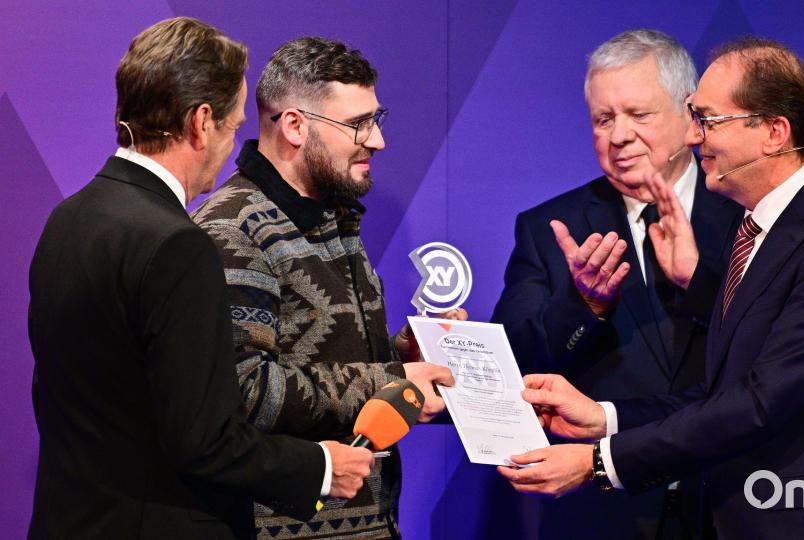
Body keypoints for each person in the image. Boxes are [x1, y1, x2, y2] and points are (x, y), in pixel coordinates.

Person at [499, 37, 804, 539]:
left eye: (708, 120)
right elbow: (719, 393)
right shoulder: (763, 229)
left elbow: (757, 404)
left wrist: (601, 462)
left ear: (774, 131)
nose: (693, 137)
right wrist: (604, 417)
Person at [28, 18, 379, 540]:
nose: (233, 146)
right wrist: (321, 468)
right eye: (235, 127)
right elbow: (205, 439)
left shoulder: (69, 217)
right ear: (200, 122)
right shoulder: (178, 244)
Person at [192, 37, 459, 539]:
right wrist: (391, 380)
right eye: (358, 124)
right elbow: (244, 391)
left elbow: (324, 355)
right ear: (295, 125)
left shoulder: (333, 217)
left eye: (376, 119)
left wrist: (401, 351)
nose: (377, 140)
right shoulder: (232, 230)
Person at [491, 29, 739, 538]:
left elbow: (769, 352)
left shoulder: (748, 214)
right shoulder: (551, 227)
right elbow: (511, 362)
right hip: (603, 514)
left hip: (733, 498)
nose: (618, 135)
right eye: (603, 119)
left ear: (690, 116)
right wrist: (583, 306)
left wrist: (698, 280)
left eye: (638, 114)